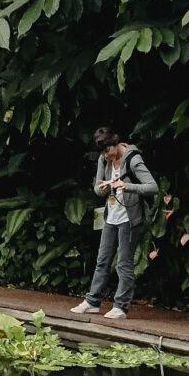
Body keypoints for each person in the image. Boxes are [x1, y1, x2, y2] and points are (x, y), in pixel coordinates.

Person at [70, 127, 158, 320]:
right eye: (102, 152)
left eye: (107, 151)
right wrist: (103, 188)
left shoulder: (133, 159)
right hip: (111, 215)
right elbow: (97, 189)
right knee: (102, 260)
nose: (105, 156)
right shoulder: (104, 159)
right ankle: (93, 301)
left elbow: (152, 187)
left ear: (115, 143)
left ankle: (120, 306)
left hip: (130, 217)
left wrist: (127, 186)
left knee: (124, 263)